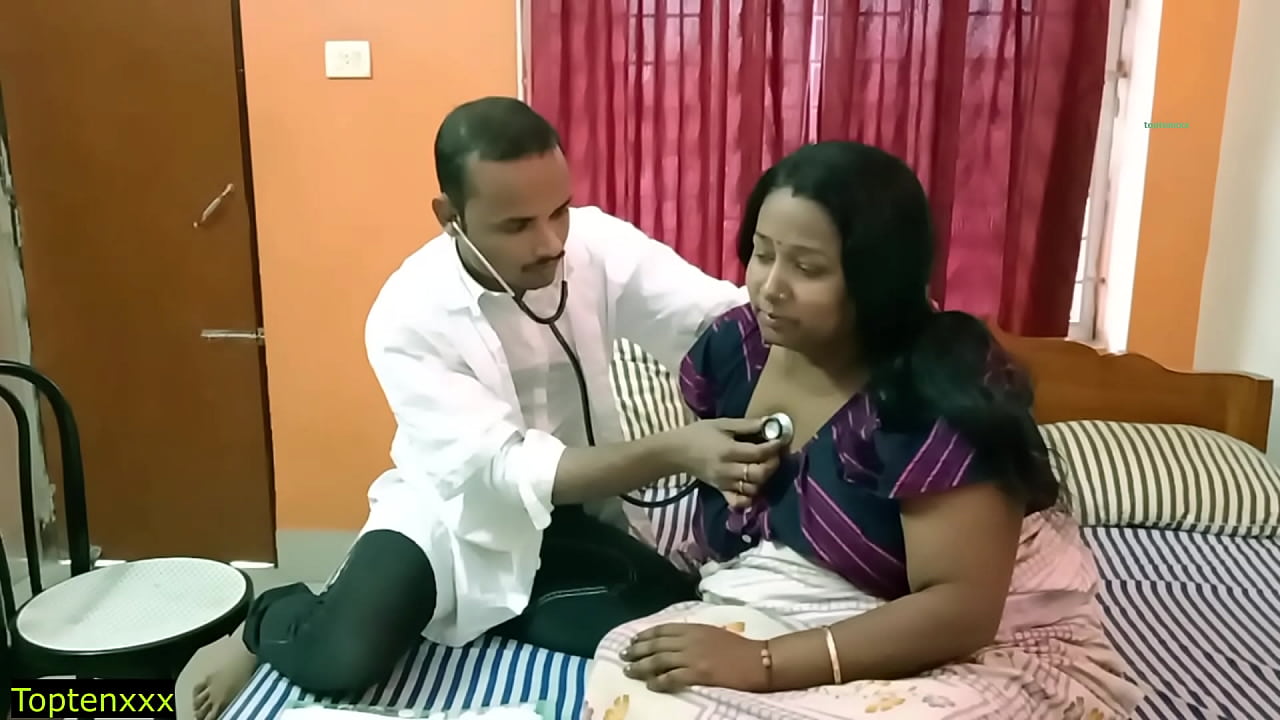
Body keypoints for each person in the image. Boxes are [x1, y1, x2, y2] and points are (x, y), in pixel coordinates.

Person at [192, 97, 787, 720]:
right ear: (450, 217)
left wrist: (803, 319)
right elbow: (506, 471)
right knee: (342, 660)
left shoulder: (596, 246)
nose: (551, 242)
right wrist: (677, 450)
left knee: (667, 628)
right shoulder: (407, 316)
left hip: (569, 520)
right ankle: (263, 623)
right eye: (516, 225)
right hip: (447, 521)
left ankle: (511, 610)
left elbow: (715, 320)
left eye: (558, 211)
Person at [582, 141, 1144, 719]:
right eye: (762, 253)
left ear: (878, 279)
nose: (771, 287)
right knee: (636, 670)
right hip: (782, 610)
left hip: (954, 636)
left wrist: (766, 662)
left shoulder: (941, 389)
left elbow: (961, 611)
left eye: (807, 268)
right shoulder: (738, 349)